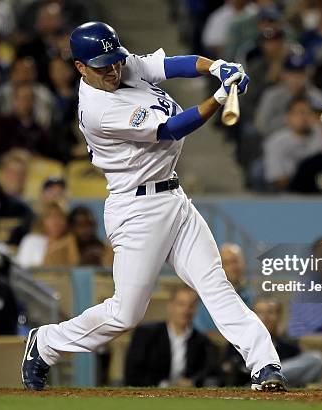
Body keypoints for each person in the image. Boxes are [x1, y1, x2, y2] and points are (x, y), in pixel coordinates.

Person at [22, 21, 287, 392]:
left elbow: (170, 65)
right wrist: (218, 99)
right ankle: (47, 343)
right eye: (102, 65)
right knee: (125, 313)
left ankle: (265, 367)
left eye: (114, 61)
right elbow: (170, 129)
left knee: (217, 286)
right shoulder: (98, 109)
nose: (113, 69)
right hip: (137, 209)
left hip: (173, 198)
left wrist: (216, 68)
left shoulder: (117, 65)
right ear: (80, 68)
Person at [124, 286, 217, 387]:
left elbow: (207, 371)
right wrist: (165, 386)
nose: (186, 310)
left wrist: (191, 382)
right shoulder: (146, 334)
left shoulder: (202, 342)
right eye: (181, 304)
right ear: (170, 306)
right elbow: (133, 373)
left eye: (191, 306)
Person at [223, 297, 322, 387]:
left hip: (283, 388)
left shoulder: (288, 346)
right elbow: (230, 371)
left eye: (270, 312)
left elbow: (304, 374)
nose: (265, 318)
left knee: (316, 359)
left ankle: (273, 377)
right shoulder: (240, 341)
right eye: (260, 313)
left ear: (279, 316)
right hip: (250, 386)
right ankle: (269, 375)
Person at [262, 97, 322, 191]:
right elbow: (277, 179)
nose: (303, 118)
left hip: (320, 191)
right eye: (298, 113)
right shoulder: (276, 142)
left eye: (307, 113)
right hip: (288, 193)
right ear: (288, 117)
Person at [193, 243, 253, 334]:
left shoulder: (254, 298)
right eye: (227, 263)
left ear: (243, 263)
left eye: (235, 262)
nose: (232, 267)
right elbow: (202, 333)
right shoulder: (205, 300)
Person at [0, 82, 53, 161]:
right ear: (14, 100)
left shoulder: (38, 128)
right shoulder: (1, 123)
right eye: (22, 99)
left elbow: (46, 152)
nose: (25, 103)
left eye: (29, 99)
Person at [16, 202, 79, 269]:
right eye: (51, 217)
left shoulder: (71, 240)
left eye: (60, 216)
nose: (56, 221)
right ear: (42, 221)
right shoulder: (31, 240)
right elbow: (22, 268)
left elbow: (75, 267)